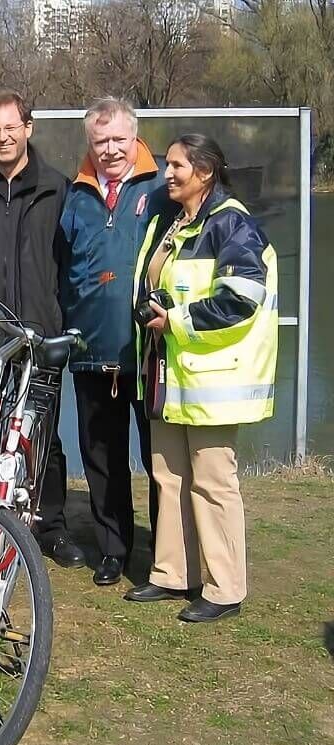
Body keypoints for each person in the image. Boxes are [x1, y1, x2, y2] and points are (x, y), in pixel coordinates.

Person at [125, 134, 278, 623]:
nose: (167, 174)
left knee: (212, 481)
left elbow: (242, 297)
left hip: (212, 380)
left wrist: (175, 320)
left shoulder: (231, 224)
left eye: (177, 166)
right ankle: (173, 573)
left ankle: (224, 586)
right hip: (169, 376)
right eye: (167, 166)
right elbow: (152, 283)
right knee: (169, 475)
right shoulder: (171, 224)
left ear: (205, 172)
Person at [0, 89, 84, 569]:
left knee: (41, 437)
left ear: (28, 128)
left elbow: (68, 267)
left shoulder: (57, 188)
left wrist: (55, 326)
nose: (2, 137)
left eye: (11, 127)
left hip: (37, 339)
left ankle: (51, 526)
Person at [60, 97, 166, 586]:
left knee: (158, 456)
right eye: (100, 141)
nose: (110, 150)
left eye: (118, 140)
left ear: (135, 138)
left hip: (145, 351)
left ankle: (166, 552)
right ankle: (112, 549)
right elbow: (62, 266)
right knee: (100, 455)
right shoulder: (74, 194)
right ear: (90, 143)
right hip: (90, 351)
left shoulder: (162, 187)